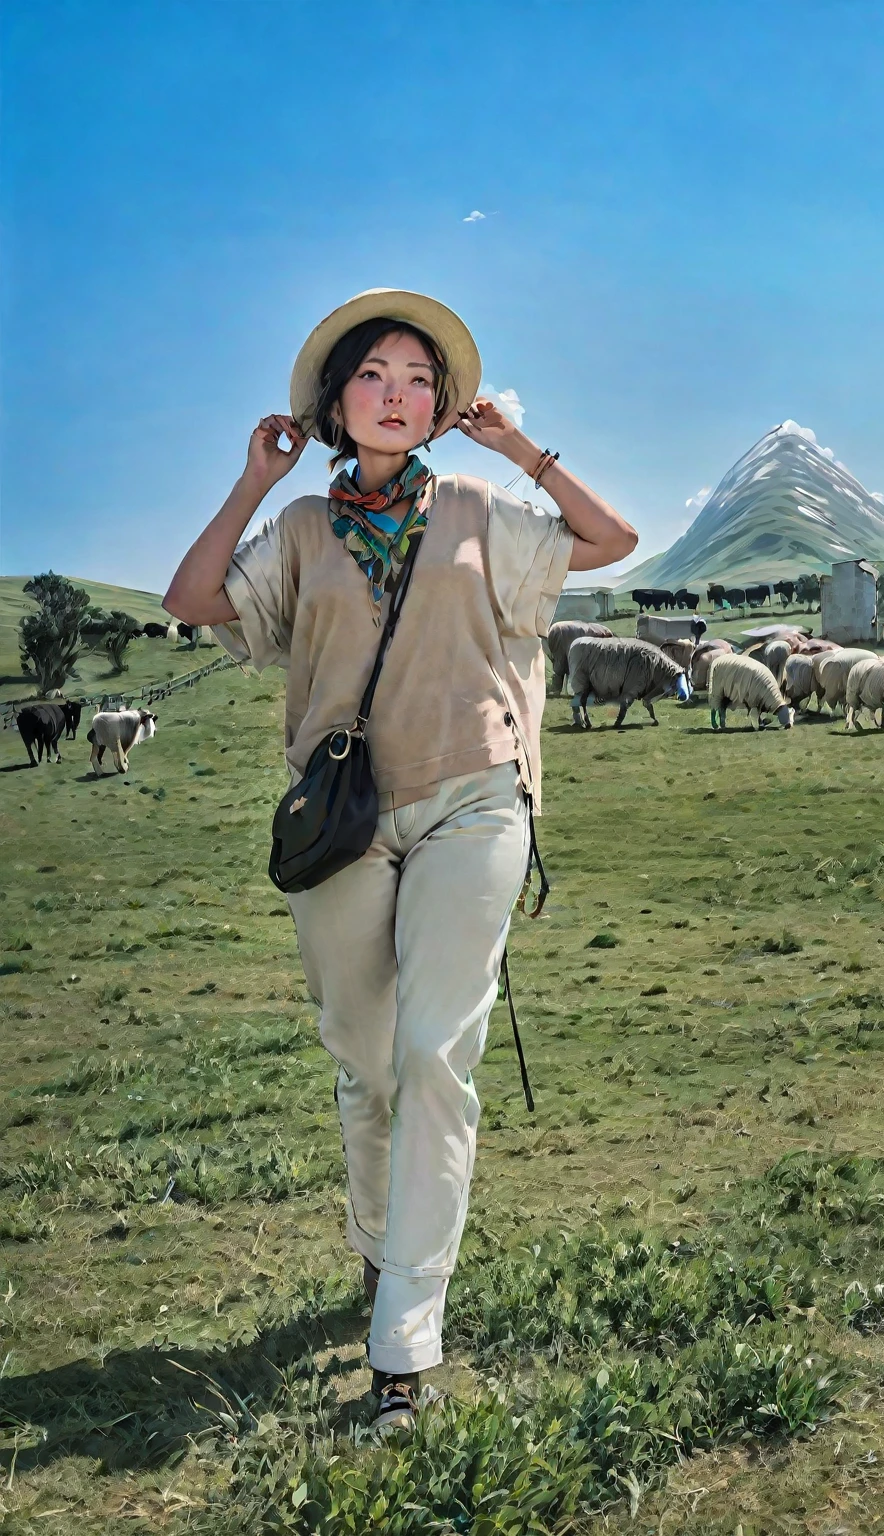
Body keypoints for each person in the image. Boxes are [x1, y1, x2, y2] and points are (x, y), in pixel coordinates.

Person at [164, 288, 637, 1431]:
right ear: (335, 403)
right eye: (374, 374)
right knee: (366, 1062)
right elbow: (191, 600)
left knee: (434, 1056)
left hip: (476, 800)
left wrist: (516, 445)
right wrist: (253, 484)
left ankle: (403, 1346)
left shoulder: (482, 507)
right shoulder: (300, 534)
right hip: (342, 819)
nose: (398, 392)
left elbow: (611, 541)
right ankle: (381, 1248)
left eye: (420, 379)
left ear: (441, 406)